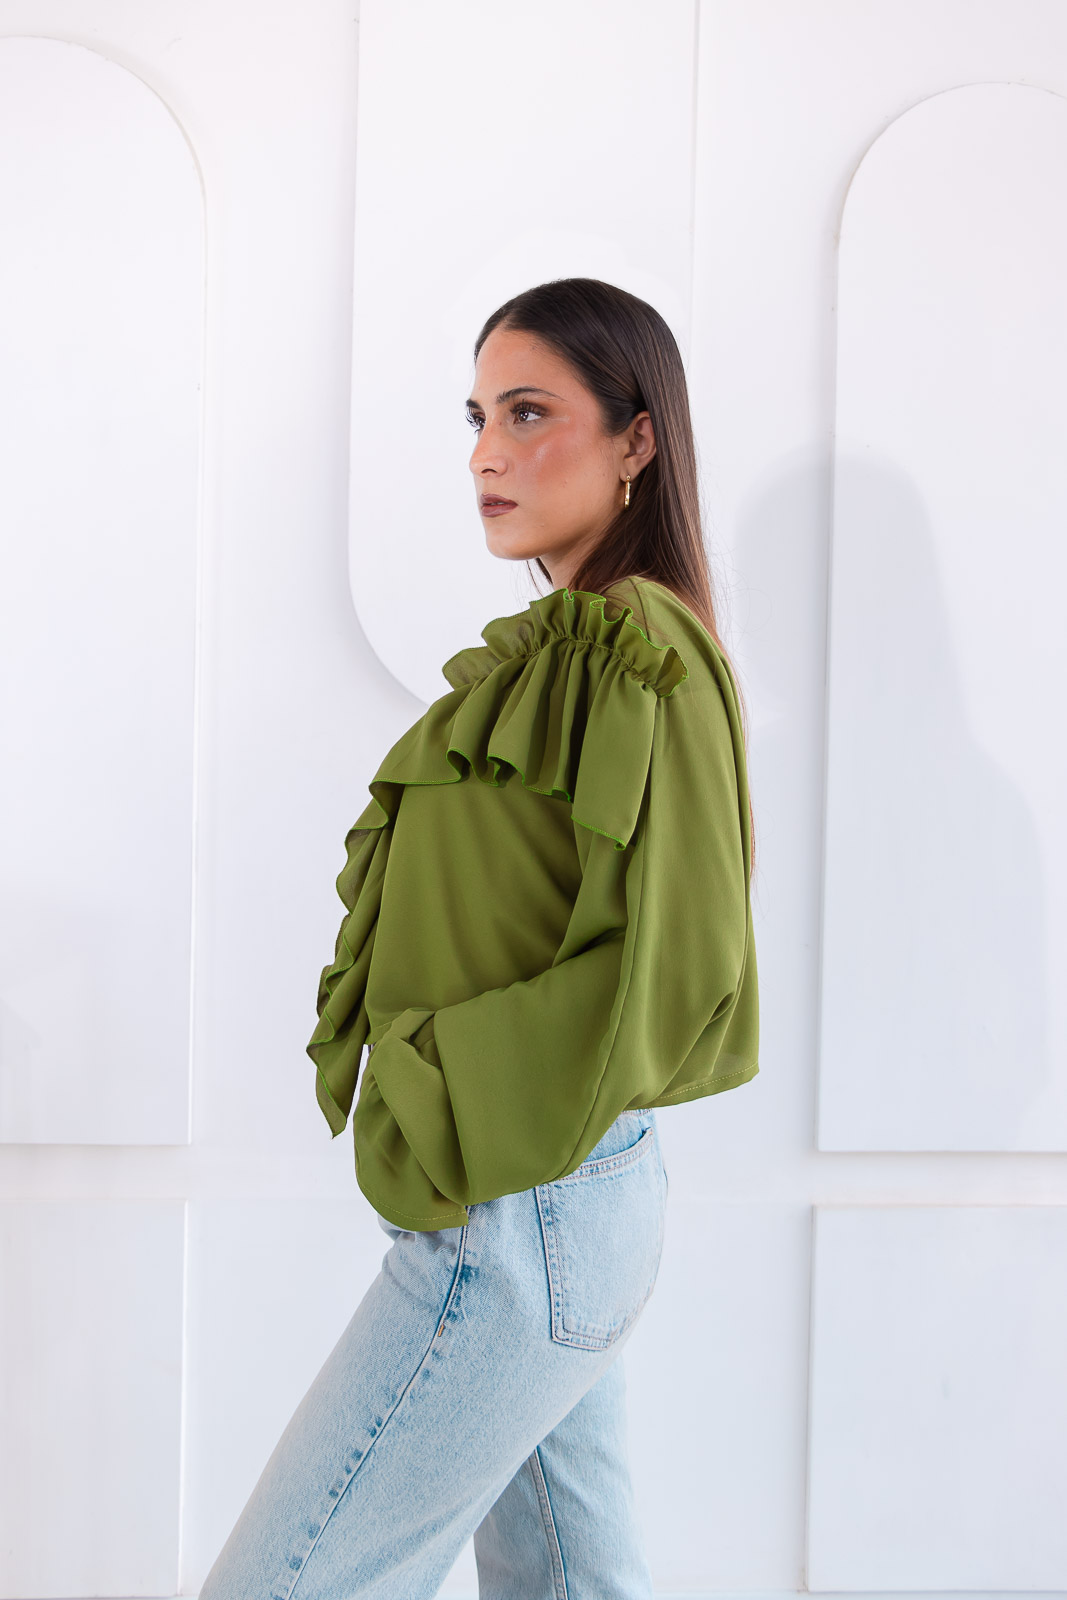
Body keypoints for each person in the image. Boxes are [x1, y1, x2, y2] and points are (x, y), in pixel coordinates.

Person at [199, 277, 759, 1600]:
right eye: (476, 418)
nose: (485, 455)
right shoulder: (572, 645)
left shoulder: (637, 649)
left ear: (637, 439)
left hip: (527, 1205)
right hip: (554, 1197)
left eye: (529, 413)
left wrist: (444, 1085)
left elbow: (684, 963)